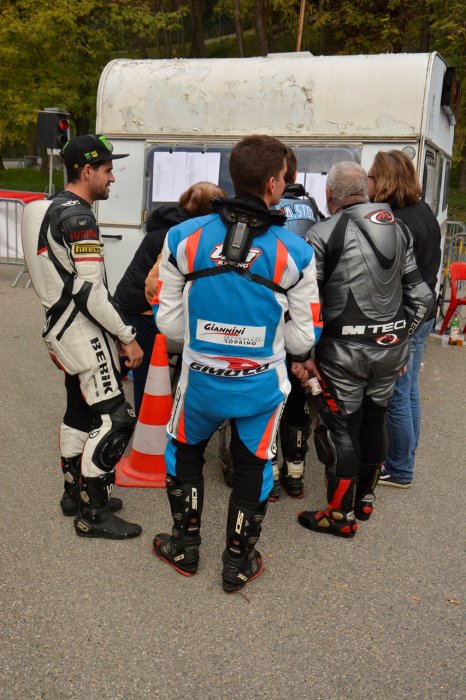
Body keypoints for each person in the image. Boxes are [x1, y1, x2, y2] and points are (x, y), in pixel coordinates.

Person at [151, 134, 322, 592]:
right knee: (253, 464)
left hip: (199, 380)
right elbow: (304, 337)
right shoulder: (297, 252)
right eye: (284, 177)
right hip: (260, 386)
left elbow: (168, 323)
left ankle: (185, 547)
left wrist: (208, 338)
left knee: (185, 452)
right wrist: (262, 341)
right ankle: (237, 562)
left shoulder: (181, 236)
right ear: (272, 184)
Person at [294, 161, 434, 538]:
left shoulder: (321, 232)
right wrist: (400, 339)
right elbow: (424, 299)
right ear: (366, 191)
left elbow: (308, 302)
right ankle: (364, 501)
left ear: (329, 195)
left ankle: (340, 516)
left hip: (342, 354)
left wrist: (304, 354)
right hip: (389, 351)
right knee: (374, 421)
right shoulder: (399, 229)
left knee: (339, 429)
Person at [31, 134, 144, 539]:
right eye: (108, 170)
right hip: (80, 328)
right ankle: (93, 513)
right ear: (87, 171)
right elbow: (90, 291)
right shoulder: (79, 218)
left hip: (61, 327)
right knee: (116, 418)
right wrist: (126, 336)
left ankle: (73, 494)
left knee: (79, 411)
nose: (113, 178)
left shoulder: (55, 208)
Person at [114, 182, 227, 416]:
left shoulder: (171, 224)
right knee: (147, 374)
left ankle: (108, 411)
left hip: (130, 303)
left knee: (126, 366)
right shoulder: (177, 235)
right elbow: (154, 284)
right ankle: (144, 423)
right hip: (141, 310)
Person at [368, 150, 440, 487]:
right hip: (425, 312)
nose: (368, 182)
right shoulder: (422, 211)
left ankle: (399, 468)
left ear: (383, 180)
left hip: (407, 315)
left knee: (397, 391)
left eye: (371, 176)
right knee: (409, 390)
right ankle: (404, 458)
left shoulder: (396, 222)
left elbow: (392, 279)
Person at [271, 147, 324, 500]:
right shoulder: (314, 210)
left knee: (270, 401)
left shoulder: (270, 211)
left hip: (272, 319)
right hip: (305, 318)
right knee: (297, 401)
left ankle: (271, 474)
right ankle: (296, 474)